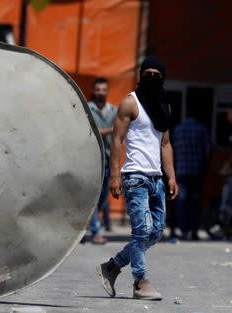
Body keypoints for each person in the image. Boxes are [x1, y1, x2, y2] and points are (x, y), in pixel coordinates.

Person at [97, 56, 178, 300]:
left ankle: (112, 267)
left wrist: (171, 176)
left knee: (156, 233)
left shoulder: (165, 107)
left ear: (163, 78)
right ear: (140, 76)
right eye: (148, 73)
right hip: (134, 177)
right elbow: (117, 140)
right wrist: (115, 175)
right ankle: (141, 282)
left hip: (156, 179)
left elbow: (165, 144)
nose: (152, 77)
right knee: (141, 231)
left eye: (157, 74)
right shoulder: (130, 103)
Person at [87, 77, 117, 244]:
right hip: (93, 161)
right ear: (94, 91)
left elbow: (120, 134)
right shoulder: (88, 108)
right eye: (98, 90)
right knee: (93, 197)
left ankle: (91, 226)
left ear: (107, 91)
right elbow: (90, 131)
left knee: (102, 198)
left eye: (103, 90)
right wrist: (110, 130)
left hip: (109, 160)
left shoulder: (114, 110)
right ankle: (96, 231)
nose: (101, 93)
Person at [173, 114, 210, 240]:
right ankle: (194, 230)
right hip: (196, 171)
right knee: (195, 201)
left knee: (182, 201)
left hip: (181, 170)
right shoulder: (201, 129)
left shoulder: (178, 129)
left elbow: (174, 150)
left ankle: (183, 230)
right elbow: (208, 149)